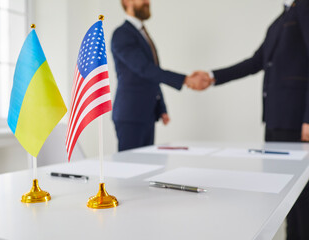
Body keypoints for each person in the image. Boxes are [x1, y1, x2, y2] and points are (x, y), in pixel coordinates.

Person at [194, 0, 309, 238]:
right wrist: (213, 77)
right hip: (275, 120)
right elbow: (256, 61)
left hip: (297, 122)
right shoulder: (279, 20)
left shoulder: (305, 7)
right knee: (286, 197)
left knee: (304, 201)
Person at [111, 0, 212, 152]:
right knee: (130, 169)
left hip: (147, 115)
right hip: (131, 116)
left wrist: (160, 107)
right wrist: (186, 80)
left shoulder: (142, 33)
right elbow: (145, 69)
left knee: (146, 169)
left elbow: (151, 74)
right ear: (127, 2)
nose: (147, 1)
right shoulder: (122, 34)